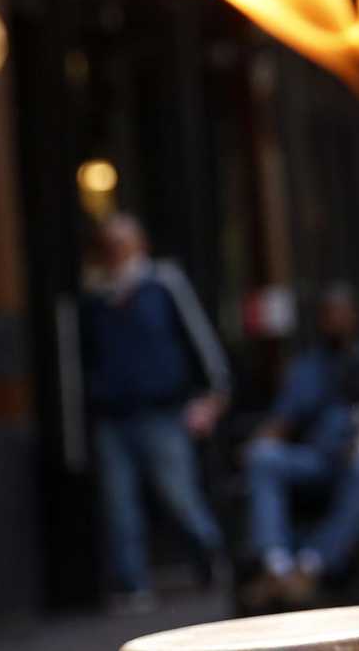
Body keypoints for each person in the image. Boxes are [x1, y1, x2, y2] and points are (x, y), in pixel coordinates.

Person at [80, 213, 229, 612]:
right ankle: (131, 584)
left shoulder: (163, 284)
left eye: (123, 242)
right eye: (109, 243)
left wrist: (214, 393)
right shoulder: (94, 297)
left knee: (177, 494)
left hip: (162, 412)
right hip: (113, 415)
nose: (116, 250)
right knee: (119, 504)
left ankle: (209, 555)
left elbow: (199, 337)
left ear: (140, 244)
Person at [241, 283, 359, 608]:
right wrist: (260, 442)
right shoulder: (307, 366)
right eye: (326, 315)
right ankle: (276, 566)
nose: (333, 321)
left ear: (354, 316)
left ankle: (312, 565)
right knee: (262, 458)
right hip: (316, 458)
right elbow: (282, 421)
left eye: (339, 313)